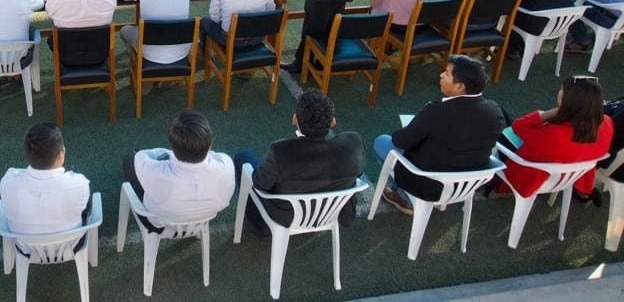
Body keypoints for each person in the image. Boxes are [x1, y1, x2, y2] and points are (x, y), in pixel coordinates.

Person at [373, 56, 506, 212]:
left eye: (447, 74)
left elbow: (400, 141)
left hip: (429, 184)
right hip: (467, 184)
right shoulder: (495, 111)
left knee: (382, 142)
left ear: (460, 86)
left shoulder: (436, 111)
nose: (441, 75)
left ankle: (404, 196)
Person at [233, 90, 363, 230]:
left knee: (243, 158)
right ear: (333, 121)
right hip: (331, 213)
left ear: (295, 119)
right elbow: (358, 174)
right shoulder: (354, 144)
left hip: (289, 217)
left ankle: (260, 224)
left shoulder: (281, 151)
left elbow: (260, 184)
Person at [498, 77, 613, 199]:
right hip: (566, 175)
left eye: (562, 89)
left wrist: (556, 111)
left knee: (498, 117)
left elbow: (518, 126)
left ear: (568, 99)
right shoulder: (607, 124)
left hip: (530, 175)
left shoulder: (555, 135)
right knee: (503, 117)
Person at [123, 110, 235, 230]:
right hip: (204, 218)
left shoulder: (155, 172)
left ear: (172, 146)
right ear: (211, 143)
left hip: (158, 220)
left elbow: (141, 155)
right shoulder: (226, 164)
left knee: (130, 160)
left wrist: (167, 154)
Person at [0, 122, 91, 235]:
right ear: (60, 155)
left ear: (27, 154)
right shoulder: (79, 184)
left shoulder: (8, 183)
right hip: (71, 244)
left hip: (24, 245)